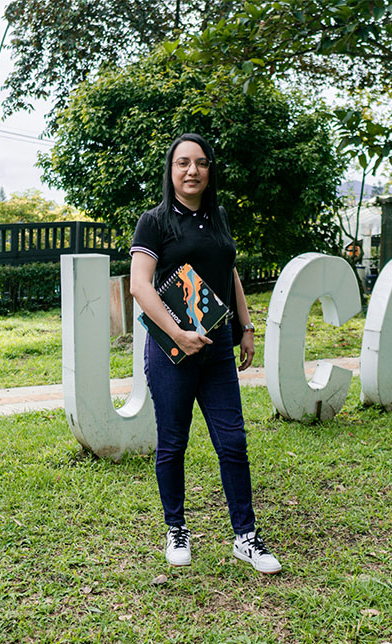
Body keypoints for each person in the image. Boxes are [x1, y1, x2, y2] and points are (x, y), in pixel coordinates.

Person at [128, 133, 281, 575]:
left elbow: (228, 270)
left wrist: (246, 326)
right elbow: (140, 285)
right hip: (172, 350)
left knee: (232, 441)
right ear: (170, 170)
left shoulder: (219, 217)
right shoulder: (154, 222)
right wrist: (179, 332)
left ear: (210, 169)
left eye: (200, 163)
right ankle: (176, 529)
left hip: (216, 351)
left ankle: (246, 538)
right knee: (173, 443)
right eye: (182, 163)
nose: (191, 170)